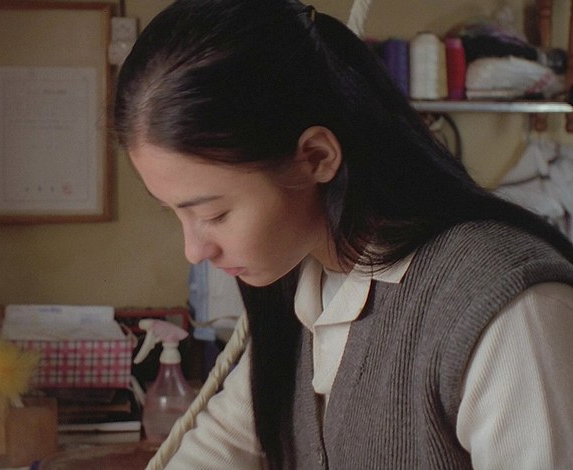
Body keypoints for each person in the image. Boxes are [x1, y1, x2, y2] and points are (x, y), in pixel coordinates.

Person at [112, 0, 573, 469]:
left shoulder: (509, 316)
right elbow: (220, 446)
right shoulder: (304, 280)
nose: (194, 250)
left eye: (213, 213)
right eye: (175, 213)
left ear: (316, 157)